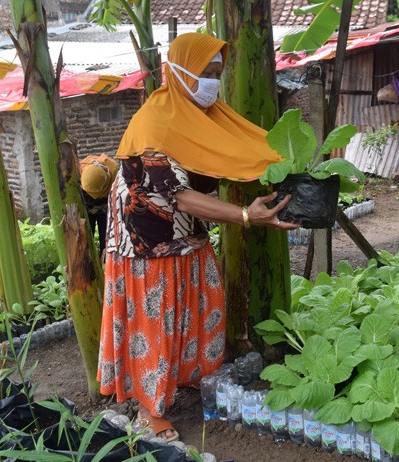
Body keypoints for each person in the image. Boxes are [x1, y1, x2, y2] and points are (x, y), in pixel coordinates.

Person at [97, 32, 298, 441]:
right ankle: (148, 409)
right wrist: (245, 214)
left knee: (195, 300)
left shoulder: (203, 115)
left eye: (218, 73)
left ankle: (185, 375)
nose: (213, 83)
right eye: (204, 73)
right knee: (154, 318)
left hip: (186, 235)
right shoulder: (156, 120)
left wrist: (286, 164)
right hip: (146, 241)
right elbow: (180, 197)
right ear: (178, 72)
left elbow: (236, 150)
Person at [79, 154, 119, 255]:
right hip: (87, 207)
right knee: (87, 241)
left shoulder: (115, 172)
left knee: (106, 240)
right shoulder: (78, 171)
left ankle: (105, 262)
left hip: (106, 208)